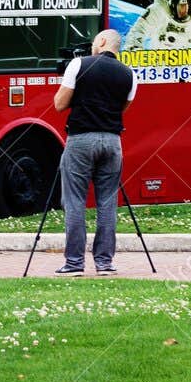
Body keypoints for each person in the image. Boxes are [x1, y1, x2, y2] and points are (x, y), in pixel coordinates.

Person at [52, 28, 138, 274]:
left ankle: (74, 263)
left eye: (93, 42)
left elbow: (59, 104)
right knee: (108, 202)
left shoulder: (79, 64)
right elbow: (122, 108)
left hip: (81, 139)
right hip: (112, 141)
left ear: (101, 41)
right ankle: (104, 263)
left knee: (75, 201)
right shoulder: (129, 74)